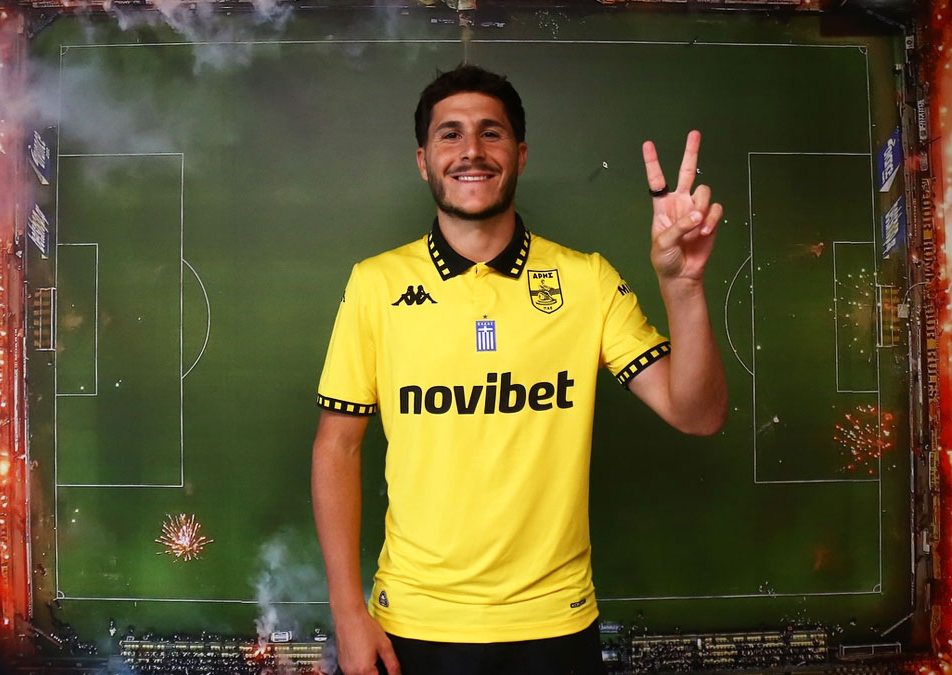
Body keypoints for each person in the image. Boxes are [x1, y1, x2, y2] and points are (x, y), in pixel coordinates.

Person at [311, 64, 727, 675]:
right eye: (450, 134)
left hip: (557, 623)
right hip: (414, 624)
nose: (471, 151)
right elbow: (337, 446)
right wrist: (347, 610)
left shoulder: (586, 280)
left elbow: (698, 415)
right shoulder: (375, 284)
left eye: (491, 132)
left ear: (521, 154)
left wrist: (683, 286)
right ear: (423, 160)